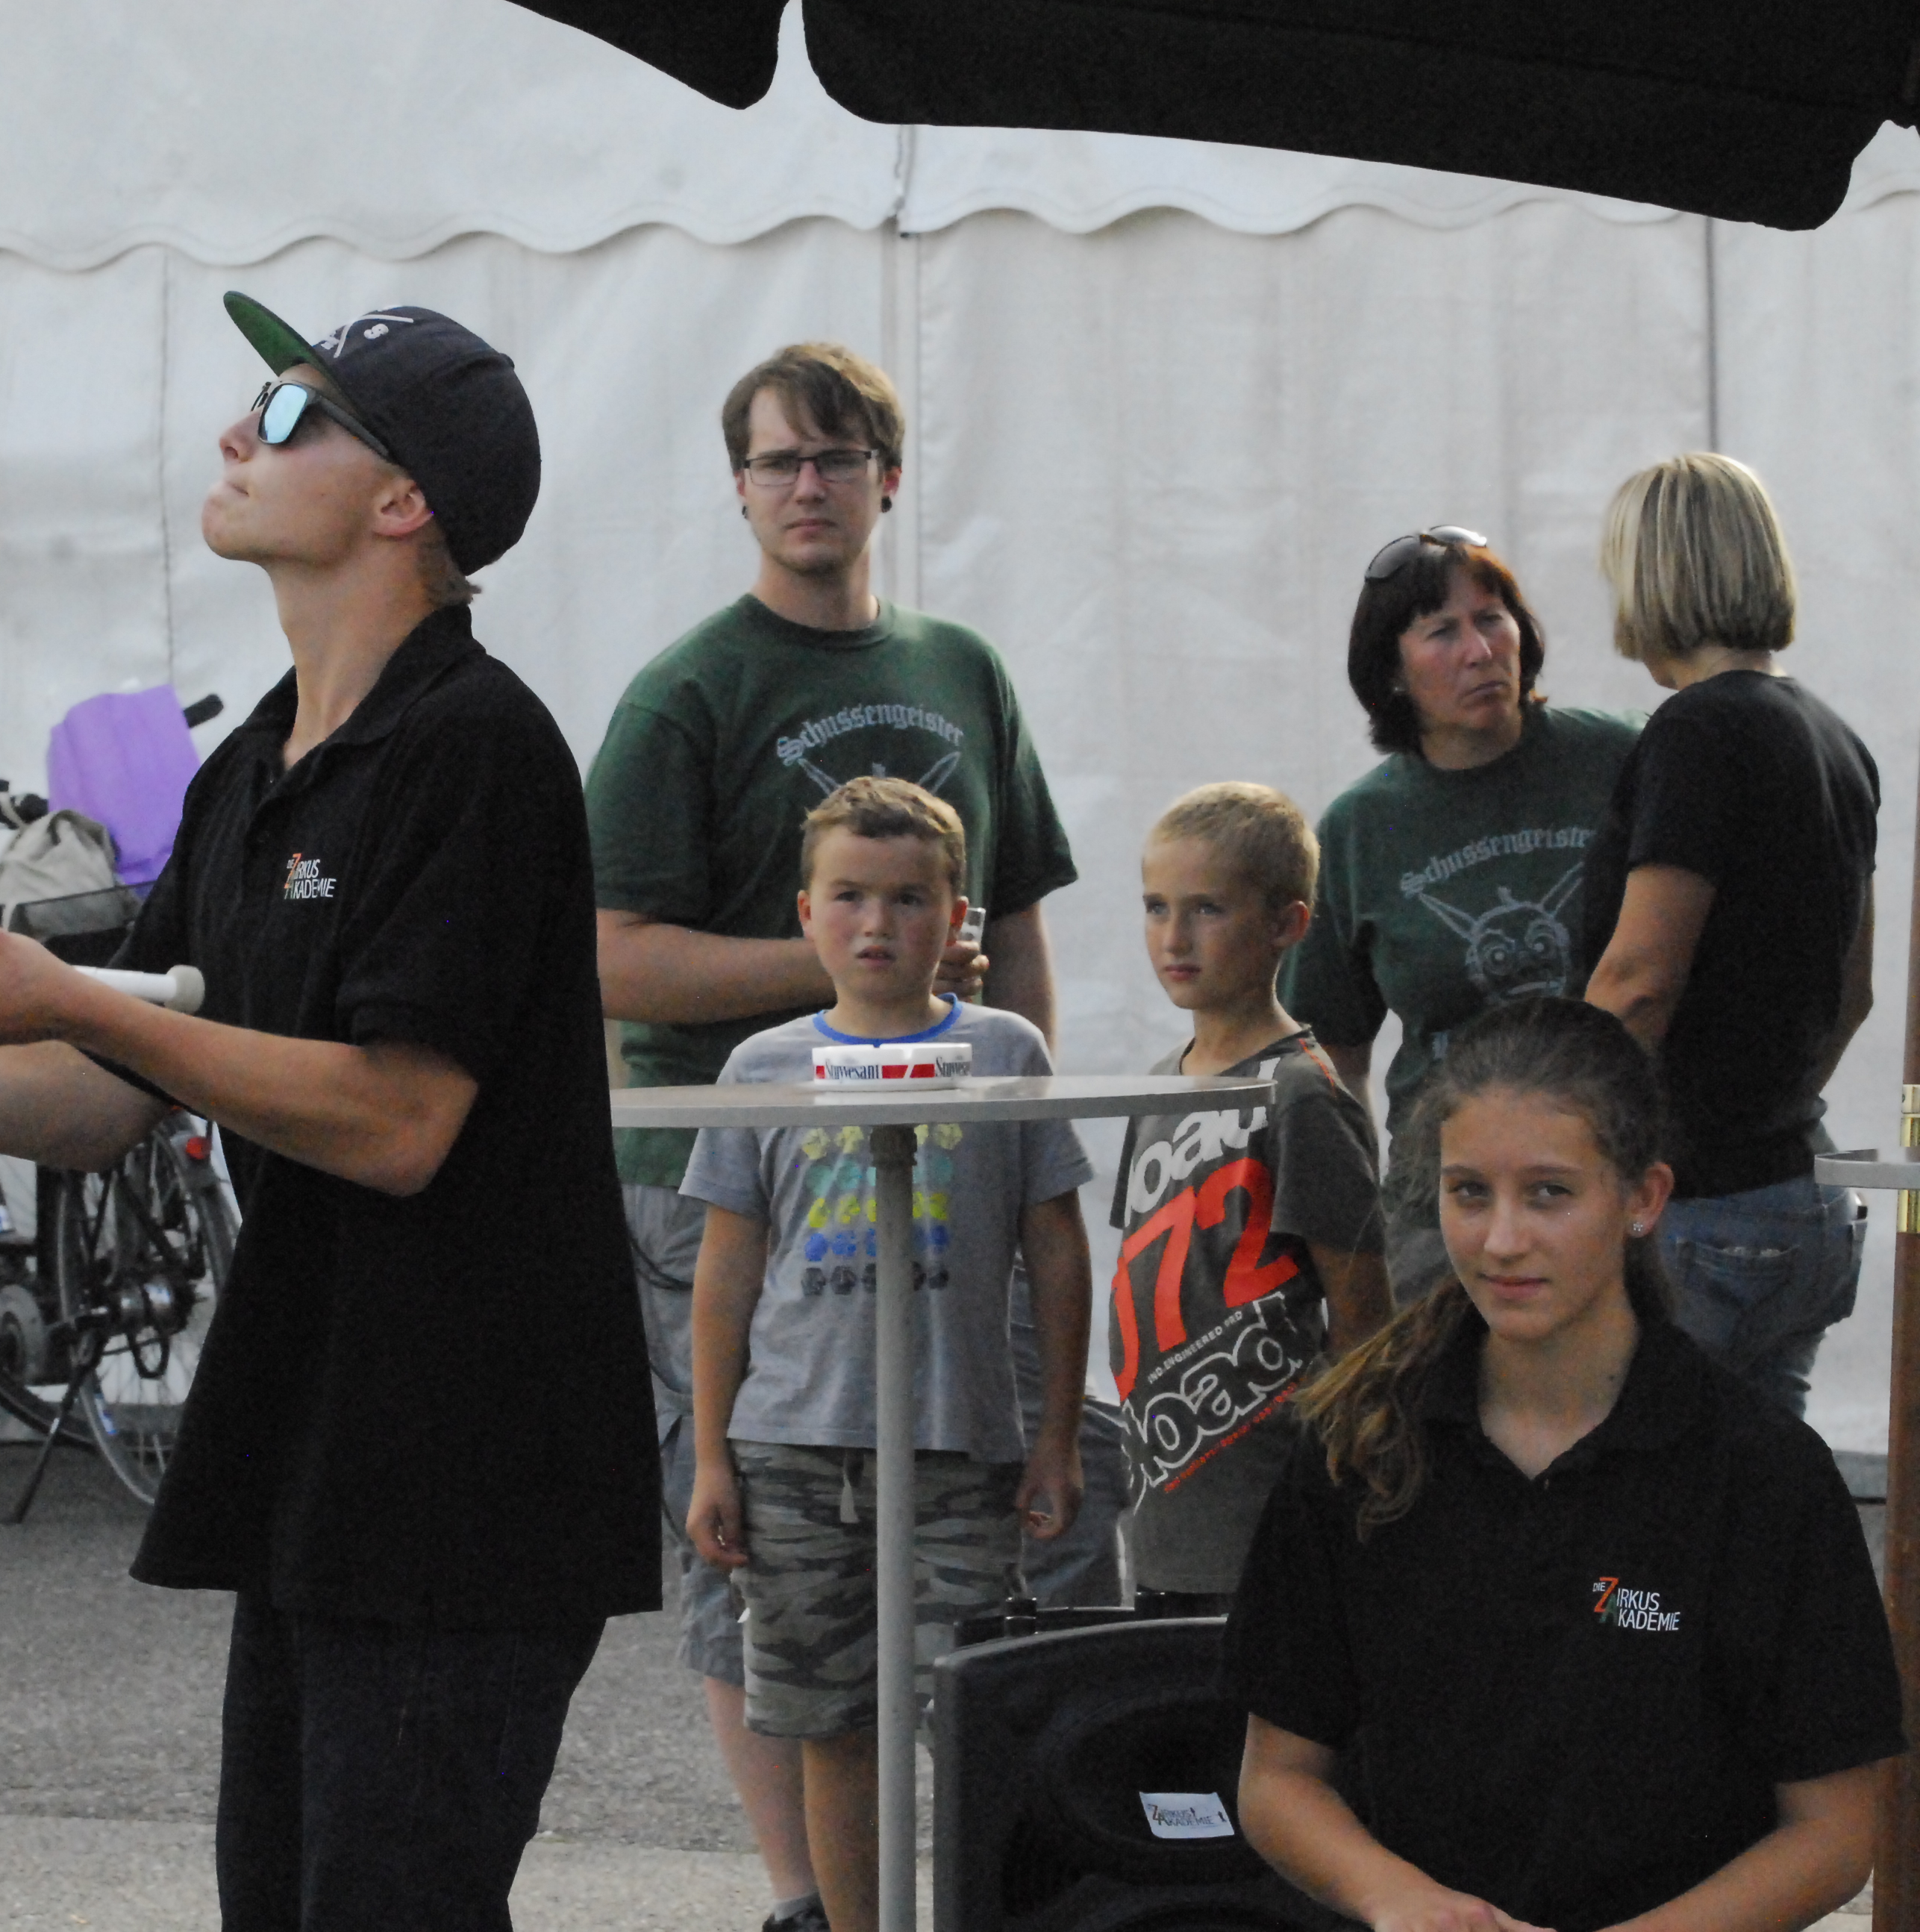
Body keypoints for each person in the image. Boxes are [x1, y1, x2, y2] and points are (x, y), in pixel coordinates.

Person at [0, 295, 660, 1932]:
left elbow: (398, 1120)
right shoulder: (254, 769)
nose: (236, 432)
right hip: (321, 1448)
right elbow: (99, 1101)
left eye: (288, 415)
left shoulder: (475, 749)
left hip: (470, 1471)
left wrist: (78, 997)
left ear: (402, 500)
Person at [581, 343, 1091, 1932]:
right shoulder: (686, 690)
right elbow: (611, 957)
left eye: (838, 456)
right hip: (731, 1179)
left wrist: (1012, 1101)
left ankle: (978, 1885)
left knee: (971, 1538)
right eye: (779, 461)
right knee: (768, 1548)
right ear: (738, 488)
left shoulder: (963, 667)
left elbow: (1015, 915)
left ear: (887, 477)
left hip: (955, 1165)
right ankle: (809, 1899)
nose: (809, 486)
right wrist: (854, 977)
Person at [1228, 997, 1900, 1931]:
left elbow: (1833, 1830)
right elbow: (1275, 1779)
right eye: (1469, 1193)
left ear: (1642, 1199)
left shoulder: (1762, 1474)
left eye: (1548, 1193)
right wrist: (1403, 1902)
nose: (1501, 1240)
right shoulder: (1356, 1444)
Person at [682, 776, 1092, 1932]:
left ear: (955, 916)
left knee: (970, 1717)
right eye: (850, 896)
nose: (878, 924)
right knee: (831, 1722)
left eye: (909, 899)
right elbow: (726, 1275)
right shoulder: (762, 1067)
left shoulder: (1003, 1047)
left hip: (956, 1446)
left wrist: (1056, 1437)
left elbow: (1056, 1247)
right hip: (794, 1452)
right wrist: (712, 1458)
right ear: (806, 914)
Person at [1580, 453, 1877, 1418]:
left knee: (1642, 1489)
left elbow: (1638, 980)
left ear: (1653, 575)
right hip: (1801, 1195)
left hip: (1696, 1213)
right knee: (1752, 1488)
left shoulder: (1696, 735)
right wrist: (1763, 1109)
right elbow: (1854, 993)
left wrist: (1557, 1141)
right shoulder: (1834, 740)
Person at [1286, 528, 1639, 1298]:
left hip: (1606, 1187)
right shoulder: (1358, 831)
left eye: (1491, 619)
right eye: (1441, 632)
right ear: (1391, 671)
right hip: (1441, 1212)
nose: (1479, 651)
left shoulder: (1620, 760)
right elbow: (1330, 1058)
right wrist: (1357, 1233)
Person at [1112, 783, 1388, 1612]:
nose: (1174, 937)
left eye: (1207, 909)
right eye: (1156, 908)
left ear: (1286, 925)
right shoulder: (1157, 1083)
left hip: (1273, 1507)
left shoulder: (1301, 1094)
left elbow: (1364, 1318)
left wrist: (1346, 1484)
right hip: (1165, 1500)